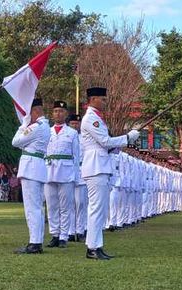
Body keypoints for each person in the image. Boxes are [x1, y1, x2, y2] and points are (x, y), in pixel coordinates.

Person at [80, 87, 139, 260]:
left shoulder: (97, 119)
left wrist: (122, 142)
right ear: (93, 99)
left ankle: (96, 245)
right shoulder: (91, 119)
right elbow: (105, 142)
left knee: (100, 209)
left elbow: (107, 146)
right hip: (96, 167)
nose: (105, 102)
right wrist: (127, 138)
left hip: (100, 165)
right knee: (96, 209)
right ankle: (92, 247)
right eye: (102, 99)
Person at [12, 98, 50, 254]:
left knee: (32, 208)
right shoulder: (45, 126)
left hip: (31, 168)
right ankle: (37, 241)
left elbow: (15, 141)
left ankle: (34, 243)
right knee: (37, 208)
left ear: (35, 111)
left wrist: (22, 125)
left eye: (28, 113)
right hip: (37, 167)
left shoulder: (36, 127)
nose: (27, 117)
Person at [44, 100, 79, 248]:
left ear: (66, 114)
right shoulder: (46, 131)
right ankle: (54, 234)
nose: (58, 113)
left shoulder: (72, 133)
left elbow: (77, 157)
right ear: (52, 114)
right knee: (52, 206)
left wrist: (76, 177)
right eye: (56, 111)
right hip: (49, 171)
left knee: (66, 206)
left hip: (66, 172)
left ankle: (64, 236)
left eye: (61, 111)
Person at [68, 114, 88, 242]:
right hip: (68, 170)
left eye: (77, 123)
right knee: (69, 204)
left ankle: (80, 230)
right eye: (73, 123)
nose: (75, 126)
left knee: (81, 203)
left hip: (81, 171)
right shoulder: (67, 135)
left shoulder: (84, 138)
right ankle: (70, 231)